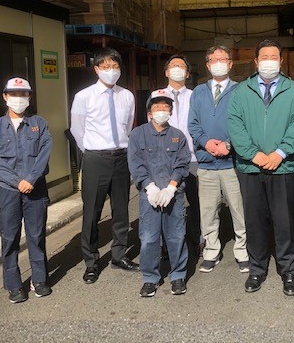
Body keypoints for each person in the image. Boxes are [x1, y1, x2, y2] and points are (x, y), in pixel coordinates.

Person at [227, 39, 294, 296]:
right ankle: (257, 269)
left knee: (285, 222)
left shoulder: (292, 90)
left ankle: (289, 270)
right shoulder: (242, 91)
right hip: (251, 168)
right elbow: (235, 124)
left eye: (274, 57)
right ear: (256, 61)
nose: (269, 62)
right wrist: (253, 154)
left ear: (281, 61)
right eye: (265, 57)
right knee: (254, 221)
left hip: (283, 167)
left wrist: (279, 153)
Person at [70, 47, 138, 284]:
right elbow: (77, 130)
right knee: (92, 212)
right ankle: (91, 262)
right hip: (95, 158)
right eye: (106, 66)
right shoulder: (84, 96)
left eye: (115, 66)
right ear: (96, 69)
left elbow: (128, 126)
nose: (111, 71)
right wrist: (93, 150)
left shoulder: (127, 96)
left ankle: (119, 255)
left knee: (121, 209)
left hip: (121, 157)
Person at [0, 77, 52, 303]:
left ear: (29, 97)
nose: (18, 98)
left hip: (35, 189)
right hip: (7, 192)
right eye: (13, 94)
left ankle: (39, 280)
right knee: (9, 239)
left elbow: (44, 154)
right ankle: (13, 285)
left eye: (23, 94)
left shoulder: (39, 123)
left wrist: (31, 179)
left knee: (36, 236)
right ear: (5, 96)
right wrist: (18, 182)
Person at [188, 45, 249, 273]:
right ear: (208, 65)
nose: (219, 63)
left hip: (232, 163)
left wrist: (229, 145)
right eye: (214, 60)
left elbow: (245, 123)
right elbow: (193, 123)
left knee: (239, 209)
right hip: (206, 162)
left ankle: (242, 250)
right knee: (208, 211)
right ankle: (211, 250)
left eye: (223, 59)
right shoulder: (198, 92)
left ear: (230, 64)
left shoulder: (240, 91)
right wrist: (206, 142)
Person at [128, 89, 191, 297]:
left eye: (166, 106)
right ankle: (150, 278)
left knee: (176, 236)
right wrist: (150, 187)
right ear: (149, 112)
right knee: (149, 237)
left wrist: (171, 188)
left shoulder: (178, 136)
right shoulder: (137, 135)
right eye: (157, 106)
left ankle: (178, 276)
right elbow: (135, 164)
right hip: (149, 195)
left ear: (171, 112)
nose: (162, 110)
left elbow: (182, 163)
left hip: (174, 194)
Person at [162, 54, 204, 256]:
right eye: (173, 66)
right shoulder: (157, 95)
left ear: (187, 74)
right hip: (167, 160)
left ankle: (199, 239)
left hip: (193, 158)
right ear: (167, 72)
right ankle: (167, 244)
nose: (177, 69)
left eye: (181, 66)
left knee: (196, 202)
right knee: (168, 202)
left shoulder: (196, 96)